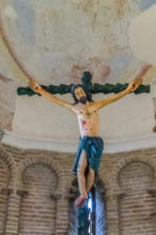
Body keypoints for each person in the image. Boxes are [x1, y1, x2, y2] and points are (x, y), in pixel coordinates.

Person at [28, 76, 142, 207]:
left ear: (85, 93)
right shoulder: (75, 108)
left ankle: (85, 194)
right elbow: (55, 100)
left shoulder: (96, 105)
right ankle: (83, 194)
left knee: (92, 170)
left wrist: (128, 90)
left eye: (81, 91)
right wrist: (40, 90)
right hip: (85, 140)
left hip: (96, 141)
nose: (79, 94)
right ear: (75, 96)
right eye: (76, 93)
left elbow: (114, 98)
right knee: (81, 168)